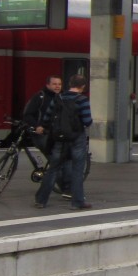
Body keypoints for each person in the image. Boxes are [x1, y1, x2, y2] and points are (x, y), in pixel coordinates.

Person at [34, 74, 93, 211]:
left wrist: (45, 127)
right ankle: (77, 202)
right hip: (77, 138)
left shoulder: (58, 98)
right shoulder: (82, 100)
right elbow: (87, 121)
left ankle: (41, 200)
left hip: (60, 138)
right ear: (83, 86)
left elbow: (47, 117)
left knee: (53, 169)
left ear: (69, 83)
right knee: (77, 170)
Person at [21, 75, 63, 155]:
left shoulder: (63, 97)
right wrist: (37, 126)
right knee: (54, 157)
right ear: (48, 85)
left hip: (58, 133)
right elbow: (28, 114)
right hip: (43, 133)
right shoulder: (40, 97)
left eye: (59, 84)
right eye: (54, 84)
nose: (57, 86)